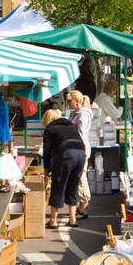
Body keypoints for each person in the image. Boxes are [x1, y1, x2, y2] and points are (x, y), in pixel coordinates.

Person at [42, 108, 87, 229]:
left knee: (58, 186)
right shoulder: (71, 126)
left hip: (66, 155)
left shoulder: (49, 129)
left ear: (47, 120)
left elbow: (46, 151)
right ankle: (72, 219)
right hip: (81, 155)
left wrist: (46, 168)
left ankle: (53, 221)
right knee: (73, 186)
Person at [65, 90, 94, 218]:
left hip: (81, 147)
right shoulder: (75, 113)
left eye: (69, 100)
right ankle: (81, 206)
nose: (67, 103)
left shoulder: (83, 114)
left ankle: (83, 207)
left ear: (76, 101)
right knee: (77, 176)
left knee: (81, 176)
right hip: (76, 147)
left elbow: (81, 134)